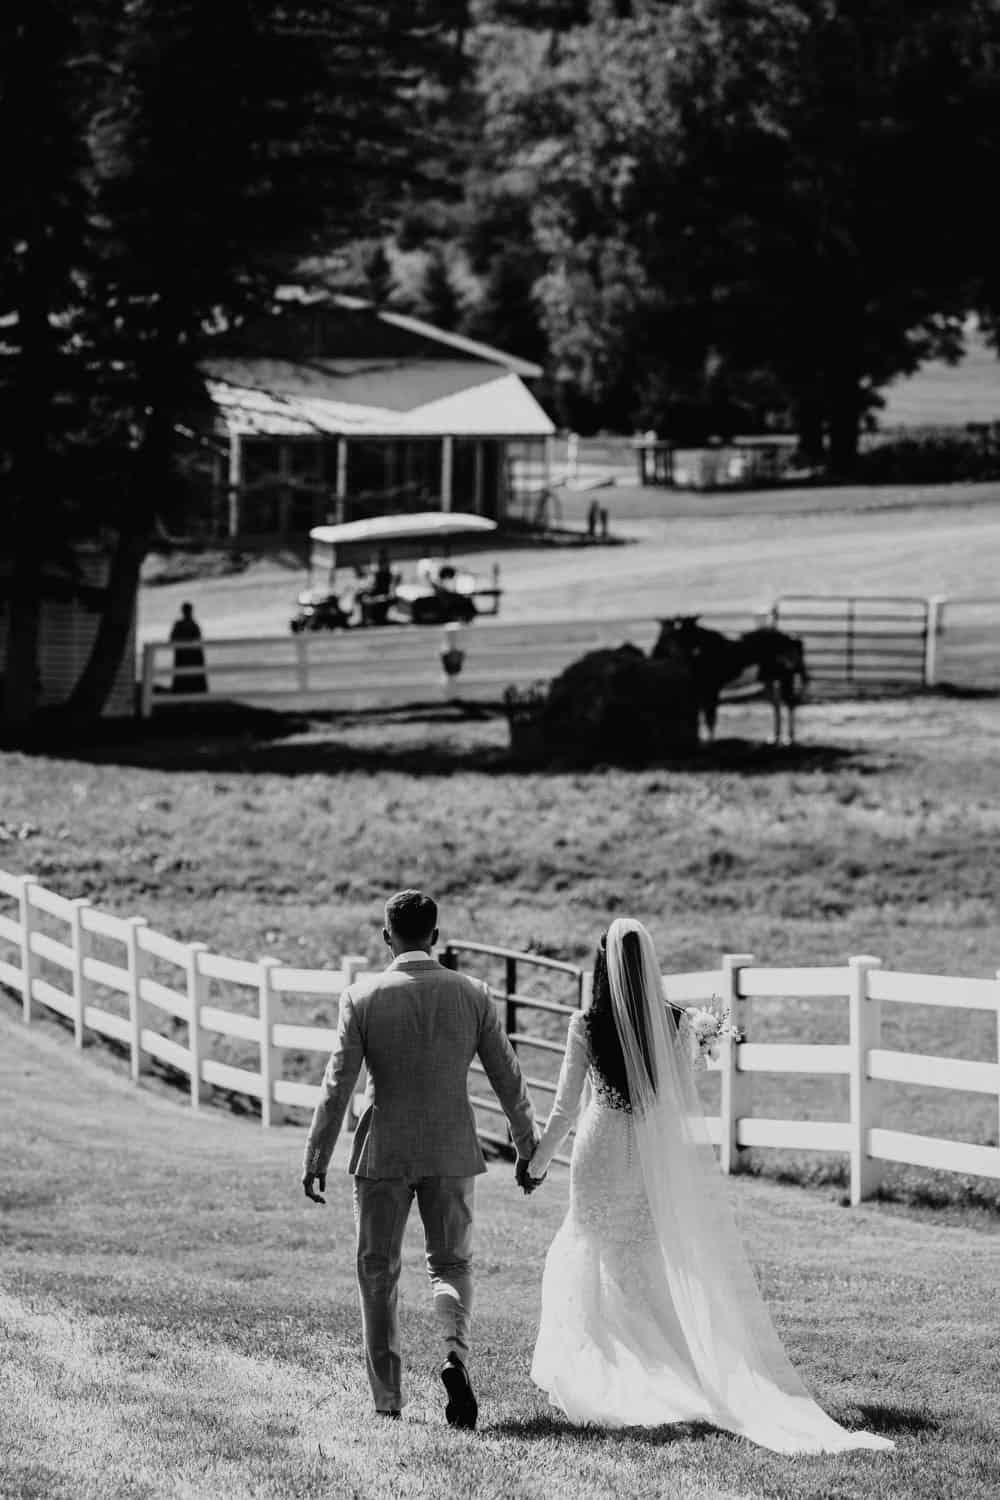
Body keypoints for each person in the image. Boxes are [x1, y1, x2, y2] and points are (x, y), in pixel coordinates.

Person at [523, 918, 895, 1456]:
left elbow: (562, 1110)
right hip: (649, 1153)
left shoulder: (586, 1023)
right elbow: (677, 1096)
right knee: (642, 1255)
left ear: (603, 966)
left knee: (592, 1247)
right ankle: (670, 1362)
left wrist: (535, 1162)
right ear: (648, 964)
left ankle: (603, 1363)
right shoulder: (675, 1023)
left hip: (601, 1149)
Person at [301, 890, 540, 1428]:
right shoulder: (473, 993)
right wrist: (528, 1147)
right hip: (452, 1149)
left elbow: (337, 1085)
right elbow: (509, 1078)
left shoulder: (361, 998)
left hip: (382, 1151)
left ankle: (388, 1401)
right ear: (435, 937)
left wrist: (317, 1153)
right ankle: (454, 1354)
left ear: (387, 937)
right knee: (451, 1265)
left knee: (377, 1271)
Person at [169, 602, 207, 694]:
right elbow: (198, 639)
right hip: (192, 656)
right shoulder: (194, 625)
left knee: (183, 679)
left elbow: (172, 639)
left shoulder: (180, 624)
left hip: (183, 656)